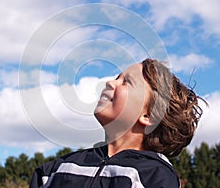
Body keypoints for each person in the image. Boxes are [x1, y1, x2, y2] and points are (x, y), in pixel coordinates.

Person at [29, 58, 205, 188]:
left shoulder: (155, 175)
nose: (110, 82)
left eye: (126, 82)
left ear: (149, 116)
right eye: (116, 77)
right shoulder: (55, 170)